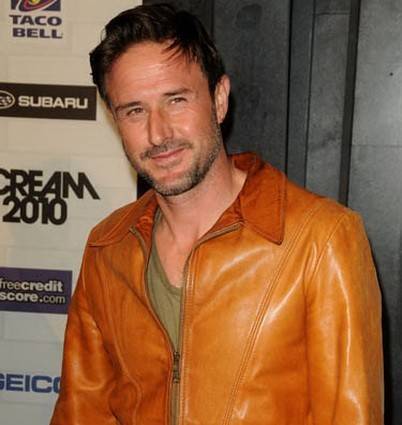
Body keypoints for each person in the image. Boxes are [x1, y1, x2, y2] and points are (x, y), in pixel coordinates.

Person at [50, 3, 383, 424]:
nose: (158, 133)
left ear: (219, 99)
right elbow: (82, 413)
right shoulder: (107, 247)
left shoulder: (321, 239)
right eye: (134, 110)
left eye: (176, 100)